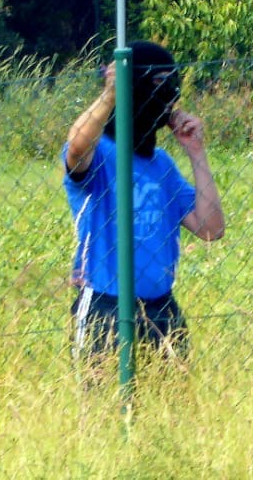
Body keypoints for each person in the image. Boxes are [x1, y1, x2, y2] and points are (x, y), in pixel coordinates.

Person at [62, 40, 224, 364]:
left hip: (162, 309)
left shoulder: (162, 165)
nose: (167, 102)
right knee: (104, 409)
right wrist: (111, 94)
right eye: (156, 87)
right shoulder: (100, 155)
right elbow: (76, 148)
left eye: (170, 89)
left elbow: (211, 228)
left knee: (169, 410)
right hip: (105, 307)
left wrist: (196, 151)